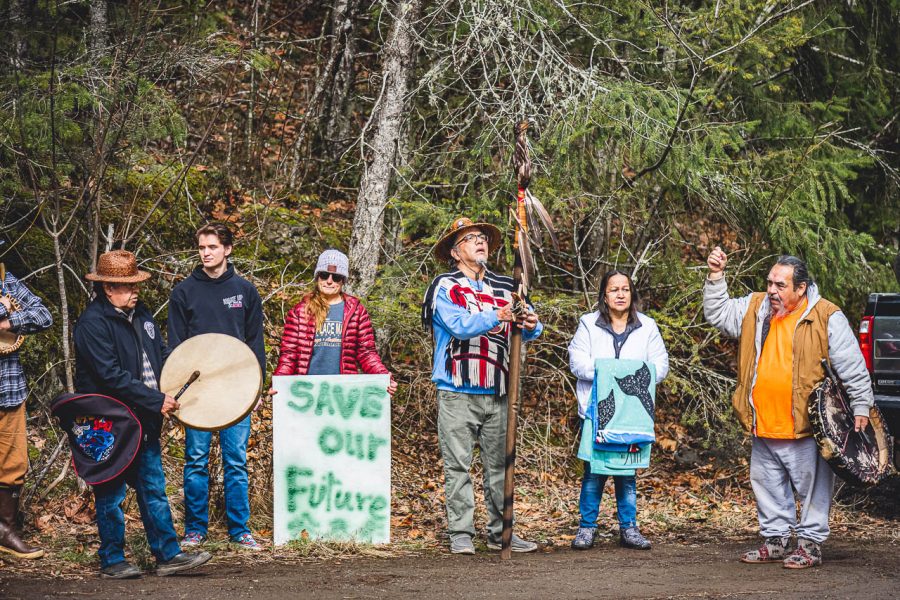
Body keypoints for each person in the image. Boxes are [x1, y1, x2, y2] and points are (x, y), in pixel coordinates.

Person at [703, 247, 873, 569]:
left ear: (801, 288)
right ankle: (775, 541)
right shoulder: (756, 307)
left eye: (780, 285)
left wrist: (861, 404)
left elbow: (852, 365)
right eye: (770, 283)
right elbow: (719, 314)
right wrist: (715, 276)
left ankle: (809, 545)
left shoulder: (826, 315)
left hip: (806, 426)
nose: (772, 290)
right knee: (767, 485)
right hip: (763, 422)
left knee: (813, 490)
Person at [74, 250, 211, 578]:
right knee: (110, 492)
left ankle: (168, 555)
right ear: (108, 288)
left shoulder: (143, 314)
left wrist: (182, 372)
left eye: (136, 284)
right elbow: (110, 376)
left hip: (143, 418)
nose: (136, 290)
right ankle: (112, 560)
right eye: (128, 285)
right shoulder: (92, 324)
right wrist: (155, 399)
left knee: (153, 488)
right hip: (108, 421)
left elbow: (160, 354)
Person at [421, 216, 543, 555]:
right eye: (470, 238)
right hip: (457, 389)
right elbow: (458, 325)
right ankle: (461, 532)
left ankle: (501, 533)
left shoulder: (506, 286)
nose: (480, 242)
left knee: (500, 466)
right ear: (455, 252)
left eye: (483, 237)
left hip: (499, 389)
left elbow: (527, 327)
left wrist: (532, 324)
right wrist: (497, 315)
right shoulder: (444, 286)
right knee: (457, 465)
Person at [168, 223, 266, 551]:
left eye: (212, 247)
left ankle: (240, 530)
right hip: (197, 390)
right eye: (202, 247)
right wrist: (175, 390)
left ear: (227, 249)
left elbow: (255, 343)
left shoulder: (245, 291)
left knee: (235, 460)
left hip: (237, 388)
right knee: (195, 459)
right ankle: (195, 530)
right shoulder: (184, 292)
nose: (206, 253)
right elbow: (176, 347)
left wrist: (256, 389)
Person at [567, 269, 669, 551]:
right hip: (596, 412)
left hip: (632, 413)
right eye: (614, 290)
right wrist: (616, 372)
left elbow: (660, 365)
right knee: (594, 472)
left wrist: (626, 375)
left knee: (627, 473)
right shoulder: (588, 324)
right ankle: (587, 527)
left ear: (632, 293)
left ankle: (629, 527)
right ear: (604, 295)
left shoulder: (647, 326)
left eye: (625, 289)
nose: (620, 294)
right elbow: (577, 363)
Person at [273, 249, 397, 395]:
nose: (329, 281)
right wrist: (278, 382)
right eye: (324, 275)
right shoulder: (300, 311)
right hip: (307, 391)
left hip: (342, 393)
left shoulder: (356, 311)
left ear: (343, 280)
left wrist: (384, 377)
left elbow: (366, 353)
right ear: (317, 277)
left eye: (336, 277)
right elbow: (289, 355)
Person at [0, 263, 52, 559]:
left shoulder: (6, 280)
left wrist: (8, 322)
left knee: (13, 465)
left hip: (9, 390)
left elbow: (43, 315)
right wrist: (2, 307)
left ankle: (5, 532)